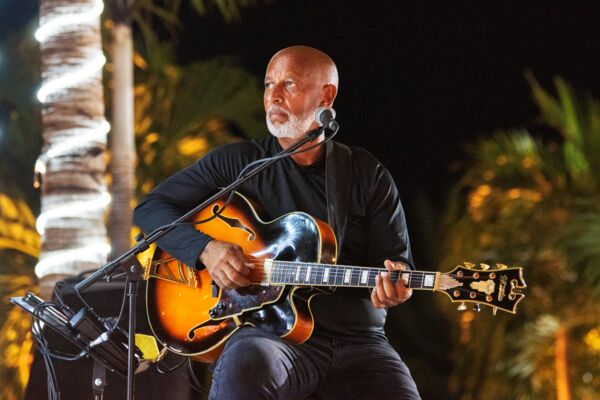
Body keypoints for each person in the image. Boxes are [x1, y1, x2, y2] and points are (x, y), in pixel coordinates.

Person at [134, 45, 421, 400]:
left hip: (358, 343)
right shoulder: (238, 163)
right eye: (269, 84)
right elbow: (151, 208)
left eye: (289, 84)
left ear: (326, 95)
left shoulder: (365, 174)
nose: (274, 96)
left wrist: (395, 284)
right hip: (268, 337)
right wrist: (206, 249)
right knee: (246, 364)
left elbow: (396, 261)